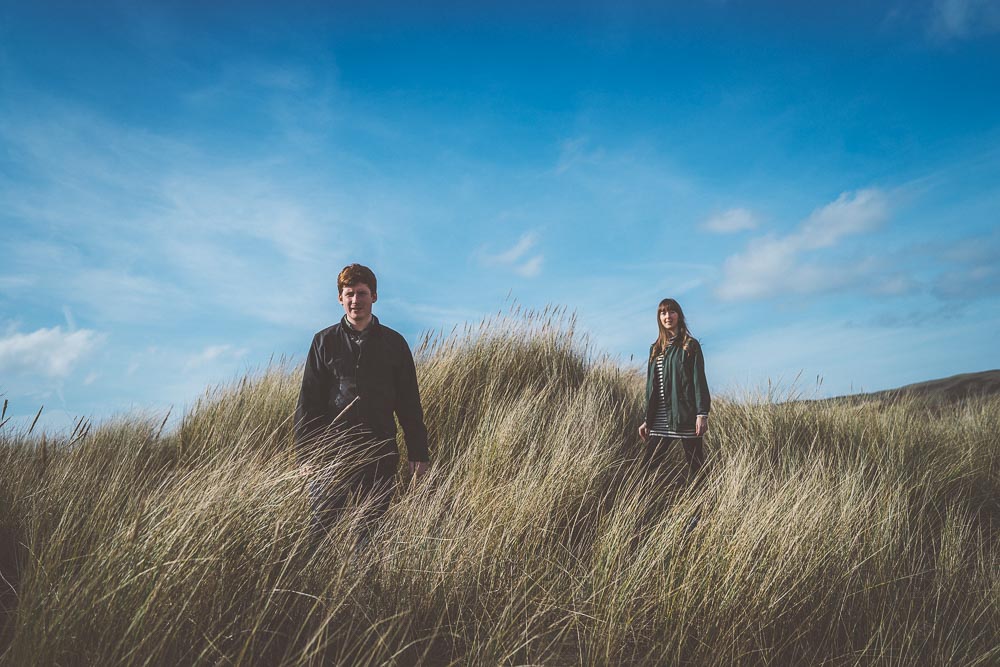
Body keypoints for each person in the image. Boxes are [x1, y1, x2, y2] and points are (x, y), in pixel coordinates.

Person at [294, 263, 430, 544]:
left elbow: (409, 404)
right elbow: (309, 403)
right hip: (332, 455)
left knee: (369, 538)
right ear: (340, 298)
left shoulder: (394, 344)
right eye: (350, 294)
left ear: (374, 296)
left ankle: (362, 587)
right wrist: (307, 455)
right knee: (320, 535)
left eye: (362, 293)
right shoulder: (324, 342)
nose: (356, 300)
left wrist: (418, 452)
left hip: (379, 453)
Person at [638, 298, 711, 484]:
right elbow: (651, 388)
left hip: (685, 416)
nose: (667, 316)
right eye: (663, 313)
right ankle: (641, 511)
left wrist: (702, 413)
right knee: (646, 468)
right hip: (660, 420)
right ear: (659, 317)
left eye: (671, 312)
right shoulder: (655, 349)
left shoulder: (689, 345)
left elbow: (698, 381)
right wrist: (648, 420)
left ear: (679, 315)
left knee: (697, 468)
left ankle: (701, 512)